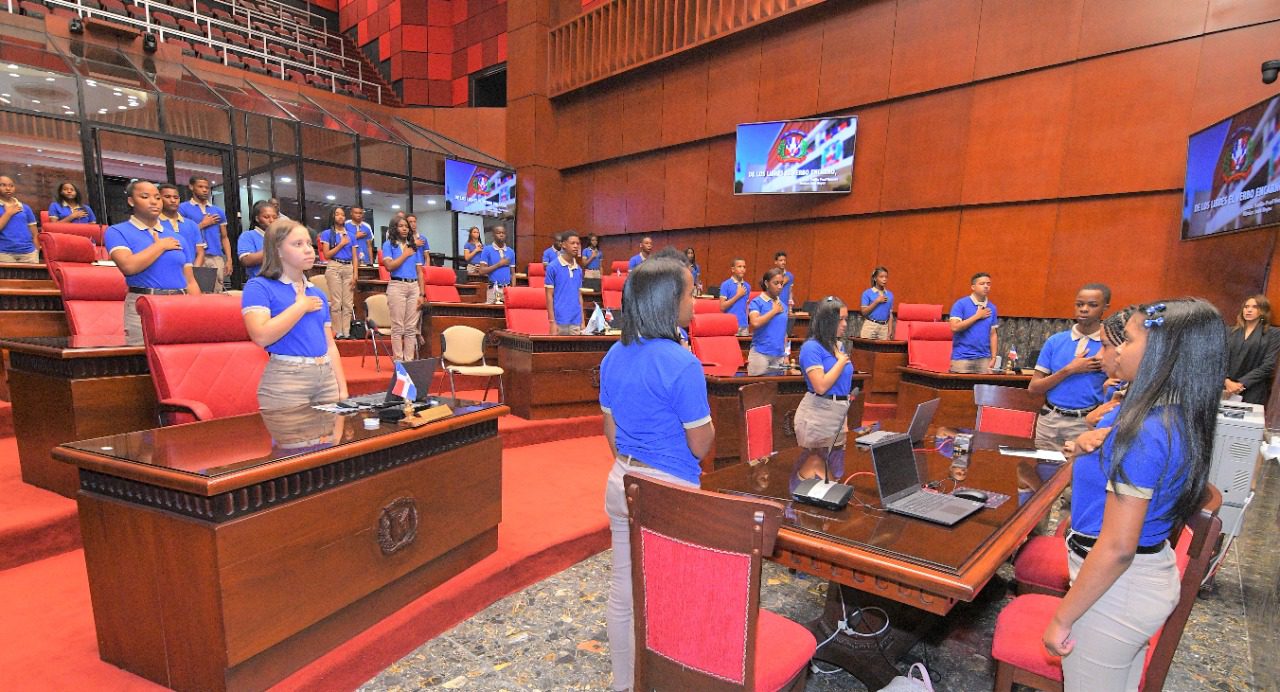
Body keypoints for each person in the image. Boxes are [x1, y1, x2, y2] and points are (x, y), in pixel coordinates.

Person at [1044, 299, 1225, 689]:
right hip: (1139, 580)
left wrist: (1063, 617)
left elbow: (1117, 548)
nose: (1116, 349)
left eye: (1126, 340)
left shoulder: (1144, 432)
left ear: (1164, 351)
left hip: (1115, 590)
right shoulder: (1173, 415)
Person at [599, 256, 712, 692]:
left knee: (624, 593)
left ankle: (626, 685)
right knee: (676, 598)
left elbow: (611, 432)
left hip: (623, 480)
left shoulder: (613, 353)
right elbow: (700, 444)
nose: (695, 300)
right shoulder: (681, 363)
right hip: (671, 492)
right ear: (669, 301)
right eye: (690, 292)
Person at [242, 218, 348, 410]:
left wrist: (342, 388)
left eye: (308, 243)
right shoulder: (259, 287)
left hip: (325, 377)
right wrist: (300, 307)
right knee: (294, 439)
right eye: (298, 244)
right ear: (278, 250)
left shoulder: (317, 293)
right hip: (287, 379)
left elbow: (330, 345)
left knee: (333, 440)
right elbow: (260, 336)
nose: (308, 249)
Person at [105, 180, 201, 345]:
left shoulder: (177, 238)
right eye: (145, 196)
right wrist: (160, 246)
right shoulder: (117, 231)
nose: (153, 201)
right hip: (144, 304)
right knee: (143, 363)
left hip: (180, 305)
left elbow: (190, 281)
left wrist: (199, 310)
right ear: (131, 201)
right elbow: (128, 266)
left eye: (157, 197)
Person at [1027, 284, 1111, 451]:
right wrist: (1070, 369)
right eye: (1079, 304)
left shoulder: (1109, 345)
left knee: (1073, 475)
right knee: (1043, 472)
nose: (1084, 309)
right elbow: (1034, 388)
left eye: (1092, 305)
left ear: (1105, 307)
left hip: (1085, 423)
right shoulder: (1055, 341)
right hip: (1049, 421)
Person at [794, 296, 855, 481]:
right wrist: (841, 361)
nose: (845, 324)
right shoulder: (811, 347)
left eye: (846, 319)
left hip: (839, 414)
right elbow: (820, 386)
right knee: (816, 478)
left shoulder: (838, 345)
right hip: (818, 415)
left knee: (834, 469)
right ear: (827, 321)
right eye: (841, 319)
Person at [381, 216, 423, 361]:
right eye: (401, 226)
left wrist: (422, 294)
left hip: (414, 287)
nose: (405, 228)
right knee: (398, 326)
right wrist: (405, 254)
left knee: (411, 327)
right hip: (397, 285)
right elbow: (389, 266)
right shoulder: (388, 245)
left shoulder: (414, 247)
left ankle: (409, 361)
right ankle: (398, 361)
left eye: (406, 226)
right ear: (394, 228)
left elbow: (420, 272)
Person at [1225, 295, 1280, 405]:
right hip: (1226, 388)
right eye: (1246, 307)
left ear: (1263, 310)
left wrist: (1241, 384)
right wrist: (1226, 381)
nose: (1249, 310)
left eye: (1254, 307)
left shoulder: (1273, 334)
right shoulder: (1229, 331)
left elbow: (1268, 365)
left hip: (1253, 390)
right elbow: (1218, 359)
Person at [179, 176, 229, 293]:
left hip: (216, 256)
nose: (205, 190)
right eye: (200, 187)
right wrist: (202, 224)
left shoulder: (218, 210)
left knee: (217, 294)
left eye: (207, 187)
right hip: (194, 257)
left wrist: (229, 260)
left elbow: (224, 237)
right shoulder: (182, 208)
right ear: (191, 187)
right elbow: (181, 234)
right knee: (196, 292)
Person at [318, 207, 359, 340]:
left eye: (342, 214)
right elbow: (326, 254)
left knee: (348, 303)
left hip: (348, 268)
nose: (340, 217)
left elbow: (355, 257)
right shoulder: (327, 234)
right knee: (336, 302)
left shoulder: (351, 235)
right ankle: (337, 332)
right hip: (334, 265)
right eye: (337, 214)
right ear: (333, 217)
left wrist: (355, 274)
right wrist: (341, 244)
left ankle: (346, 332)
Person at [949, 272, 998, 373]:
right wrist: (977, 316)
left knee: (983, 388)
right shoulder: (961, 304)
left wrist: (993, 357)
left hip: (984, 358)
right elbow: (954, 327)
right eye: (982, 284)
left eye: (988, 284)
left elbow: (993, 334)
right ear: (973, 287)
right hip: (962, 358)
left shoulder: (992, 307)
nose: (986, 286)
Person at [747, 267, 789, 375]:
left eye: (781, 283)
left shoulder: (783, 305)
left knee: (776, 390)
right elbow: (755, 322)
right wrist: (774, 311)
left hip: (779, 356)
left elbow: (785, 333)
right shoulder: (757, 302)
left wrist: (786, 355)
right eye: (776, 283)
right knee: (756, 390)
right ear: (766, 283)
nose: (780, 287)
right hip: (760, 354)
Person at [545, 231, 584, 335]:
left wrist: (583, 322)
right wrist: (552, 322)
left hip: (576, 322)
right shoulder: (552, 267)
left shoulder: (579, 269)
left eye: (578, 243)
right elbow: (549, 296)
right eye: (572, 243)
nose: (576, 246)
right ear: (563, 245)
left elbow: (579, 296)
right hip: (559, 322)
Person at [158, 183, 205, 267]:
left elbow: (200, 253)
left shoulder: (192, 224)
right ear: (158, 199)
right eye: (167, 197)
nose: (173, 200)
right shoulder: (154, 224)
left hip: (191, 274)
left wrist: (192, 273)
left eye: (176, 197)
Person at [0, 175, 39, 263]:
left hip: (29, 253)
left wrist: (36, 251)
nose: (8, 188)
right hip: (3, 253)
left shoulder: (25, 207)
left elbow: (35, 234)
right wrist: (8, 213)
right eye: (3, 185)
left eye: (11, 185)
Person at [238, 200, 277, 282]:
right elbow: (246, 260)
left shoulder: (282, 236)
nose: (271, 220)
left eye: (275, 217)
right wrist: (275, 249)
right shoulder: (248, 236)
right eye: (266, 217)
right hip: (259, 283)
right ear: (257, 219)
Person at [476, 225, 515, 304]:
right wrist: (499, 264)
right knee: (491, 314)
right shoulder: (487, 250)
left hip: (507, 290)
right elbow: (481, 271)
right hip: (493, 289)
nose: (501, 235)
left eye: (503, 233)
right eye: (498, 233)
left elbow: (513, 273)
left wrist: (513, 290)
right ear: (493, 235)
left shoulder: (511, 251)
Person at [859, 266, 894, 340]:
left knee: (882, 350)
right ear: (875, 278)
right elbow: (864, 312)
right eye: (881, 277)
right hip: (870, 326)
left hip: (884, 327)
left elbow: (890, 314)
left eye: (886, 277)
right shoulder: (867, 293)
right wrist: (876, 301)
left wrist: (890, 330)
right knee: (866, 349)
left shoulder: (890, 295)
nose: (884, 279)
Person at [719, 257, 750, 336]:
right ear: (733, 269)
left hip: (744, 325)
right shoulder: (726, 285)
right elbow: (722, 306)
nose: (742, 269)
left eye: (744, 267)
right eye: (739, 266)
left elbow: (746, 307)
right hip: (730, 324)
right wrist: (738, 295)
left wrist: (747, 322)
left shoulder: (747, 286)